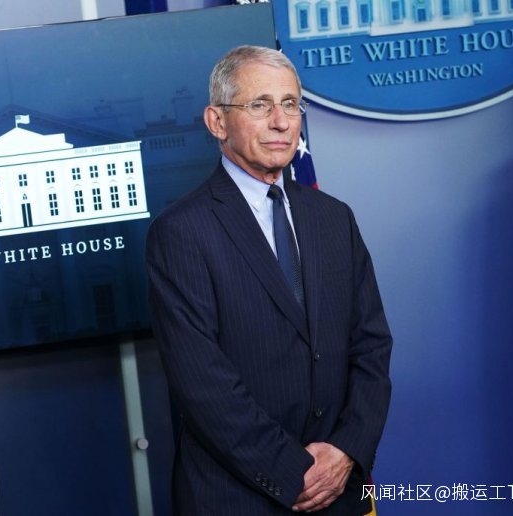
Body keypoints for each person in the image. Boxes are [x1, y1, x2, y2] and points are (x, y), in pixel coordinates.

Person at [145, 45, 392, 515]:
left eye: (290, 104)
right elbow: (203, 384)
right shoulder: (181, 233)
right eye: (260, 105)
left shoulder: (333, 217)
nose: (281, 122)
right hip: (240, 497)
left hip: (341, 489)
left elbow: (372, 347)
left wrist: (346, 451)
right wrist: (293, 472)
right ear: (217, 122)